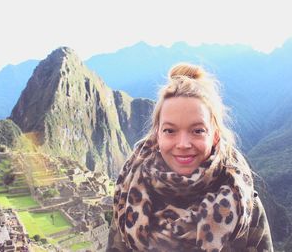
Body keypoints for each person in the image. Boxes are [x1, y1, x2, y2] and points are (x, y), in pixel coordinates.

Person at [107, 63, 273, 252]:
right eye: (170, 131)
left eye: (197, 131)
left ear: (215, 136)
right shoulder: (129, 197)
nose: (183, 144)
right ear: (157, 135)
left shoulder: (242, 202)